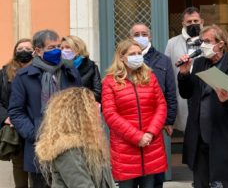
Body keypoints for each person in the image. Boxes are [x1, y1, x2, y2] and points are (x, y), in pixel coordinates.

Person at [8, 29, 82, 188]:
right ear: (38, 50)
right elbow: (16, 111)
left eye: (58, 47)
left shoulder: (69, 71)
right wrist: (35, 133)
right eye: (51, 48)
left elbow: (79, 103)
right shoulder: (24, 76)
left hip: (69, 144)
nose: (56, 51)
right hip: (39, 146)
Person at [177, 25, 228, 188]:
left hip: (222, 136)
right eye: (201, 41)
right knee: (200, 182)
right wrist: (184, 74)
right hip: (199, 135)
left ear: (220, 44)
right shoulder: (200, 63)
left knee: (225, 182)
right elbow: (187, 93)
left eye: (207, 41)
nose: (203, 45)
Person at [101, 39, 167, 188]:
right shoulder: (110, 82)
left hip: (151, 144)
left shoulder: (150, 77)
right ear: (122, 57)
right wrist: (137, 137)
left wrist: (150, 133)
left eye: (139, 53)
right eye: (132, 54)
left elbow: (161, 106)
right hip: (125, 148)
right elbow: (110, 114)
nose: (137, 56)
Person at [35, 87, 115, 187]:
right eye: (93, 106)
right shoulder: (68, 152)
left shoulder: (90, 145)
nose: (98, 108)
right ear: (81, 115)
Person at [129, 23, 177, 187]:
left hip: (155, 122)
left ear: (150, 37)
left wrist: (169, 120)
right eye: (136, 34)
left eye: (144, 34)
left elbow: (170, 92)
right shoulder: (124, 61)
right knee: (133, 170)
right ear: (130, 38)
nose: (140, 37)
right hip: (131, 124)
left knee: (155, 172)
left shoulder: (163, 60)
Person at [0, 38, 33, 188]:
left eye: (27, 48)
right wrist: (5, 117)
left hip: (34, 123)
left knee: (37, 165)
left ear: (35, 51)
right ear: (15, 52)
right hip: (14, 125)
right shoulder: (4, 73)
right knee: (18, 164)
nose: (24, 51)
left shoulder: (41, 71)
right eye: (20, 49)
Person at [165, 7, 204, 132]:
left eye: (195, 21)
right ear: (183, 23)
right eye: (189, 22)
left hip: (205, 94)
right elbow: (168, 73)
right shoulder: (171, 43)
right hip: (182, 96)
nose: (193, 24)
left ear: (202, 22)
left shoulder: (210, 41)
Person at [61, 35, 102, 102]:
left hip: (84, 108)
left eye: (67, 47)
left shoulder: (91, 67)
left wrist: (78, 96)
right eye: (62, 48)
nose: (63, 51)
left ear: (78, 49)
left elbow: (98, 93)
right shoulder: (59, 68)